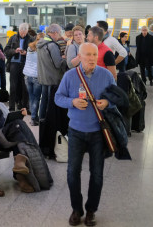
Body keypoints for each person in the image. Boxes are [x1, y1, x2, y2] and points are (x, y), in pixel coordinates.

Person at [55, 42, 115, 227]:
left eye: (94, 54)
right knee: (72, 172)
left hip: (98, 133)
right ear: (79, 57)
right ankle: (76, 210)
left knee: (97, 174)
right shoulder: (70, 76)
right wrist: (72, 101)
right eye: (87, 54)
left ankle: (90, 211)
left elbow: (117, 99)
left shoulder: (106, 75)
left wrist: (106, 102)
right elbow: (58, 97)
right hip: (76, 132)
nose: (91, 58)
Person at [36, 24, 67, 157]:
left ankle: (41, 124)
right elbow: (58, 63)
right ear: (53, 33)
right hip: (53, 79)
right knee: (51, 107)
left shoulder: (41, 44)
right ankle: (49, 128)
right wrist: (65, 59)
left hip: (43, 78)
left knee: (44, 103)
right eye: (59, 33)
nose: (59, 36)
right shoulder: (52, 46)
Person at [5, 23, 33, 111]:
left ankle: (25, 106)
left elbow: (35, 53)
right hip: (14, 64)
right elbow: (6, 50)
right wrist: (14, 51)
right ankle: (12, 106)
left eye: (25, 33)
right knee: (13, 86)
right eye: (22, 33)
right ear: (19, 31)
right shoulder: (13, 38)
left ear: (27, 31)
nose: (23, 34)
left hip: (25, 64)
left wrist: (26, 53)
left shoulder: (31, 39)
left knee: (25, 87)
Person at [23, 37, 41, 125]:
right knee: (36, 98)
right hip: (36, 76)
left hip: (27, 75)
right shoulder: (40, 51)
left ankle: (33, 117)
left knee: (31, 97)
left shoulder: (29, 49)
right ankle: (34, 118)